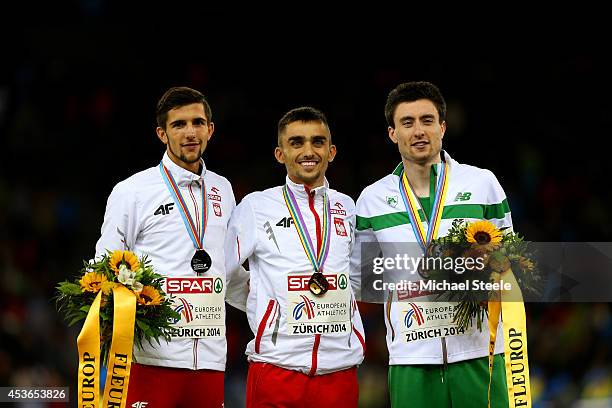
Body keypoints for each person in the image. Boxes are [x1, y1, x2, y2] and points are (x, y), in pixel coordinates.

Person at [351, 81, 512, 407]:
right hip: (411, 357)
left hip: (480, 352)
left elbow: (510, 263)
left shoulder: (482, 184)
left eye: (427, 120)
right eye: (407, 123)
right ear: (392, 133)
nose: (418, 131)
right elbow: (362, 281)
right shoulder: (372, 200)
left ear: (442, 127)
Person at [95, 86, 235, 407]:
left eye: (198, 123)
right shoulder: (133, 191)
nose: (190, 132)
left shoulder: (223, 190)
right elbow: (104, 263)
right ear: (162, 133)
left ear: (210, 129)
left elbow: (230, 271)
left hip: (211, 360)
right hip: (152, 360)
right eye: (179, 124)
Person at [225, 107, 366, 407]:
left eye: (317, 142)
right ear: (280, 153)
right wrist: (261, 305)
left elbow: (356, 276)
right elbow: (223, 273)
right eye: (296, 142)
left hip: (339, 373)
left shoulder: (347, 207)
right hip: (276, 370)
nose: (308, 151)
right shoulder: (257, 206)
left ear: (331, 151)